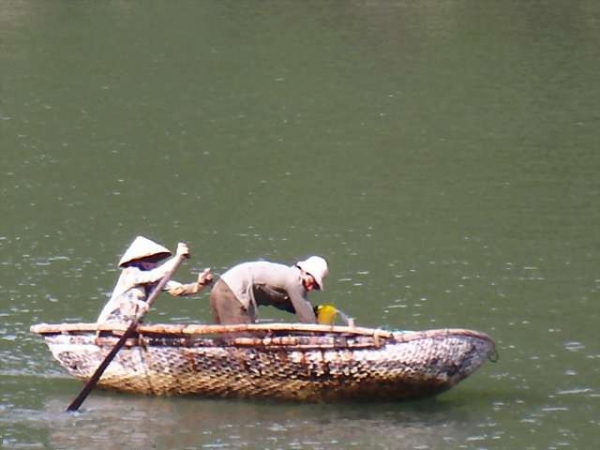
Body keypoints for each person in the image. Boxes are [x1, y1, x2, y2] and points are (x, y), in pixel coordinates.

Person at [97, 236, 213, 324]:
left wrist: (200, 283)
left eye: (154, 261)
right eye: (149, 261)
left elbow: (179, 290)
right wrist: (177, 258)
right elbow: (155, 275)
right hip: (112, 322)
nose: (153, 264)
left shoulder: (154, 281)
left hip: (132, 324)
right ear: (137, 261)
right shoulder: (130, 273)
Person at [209, 256, 329, 325]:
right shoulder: (295, 280)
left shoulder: (286, 276)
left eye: (315, 287)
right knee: (240, 340)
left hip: (222, 288)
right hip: (231, 292)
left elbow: (288, 304)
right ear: (304, 272)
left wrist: (314, 311)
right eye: (312, 282)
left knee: (228, 339)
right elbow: (308, 321)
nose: (310, 288)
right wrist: (322, 333)